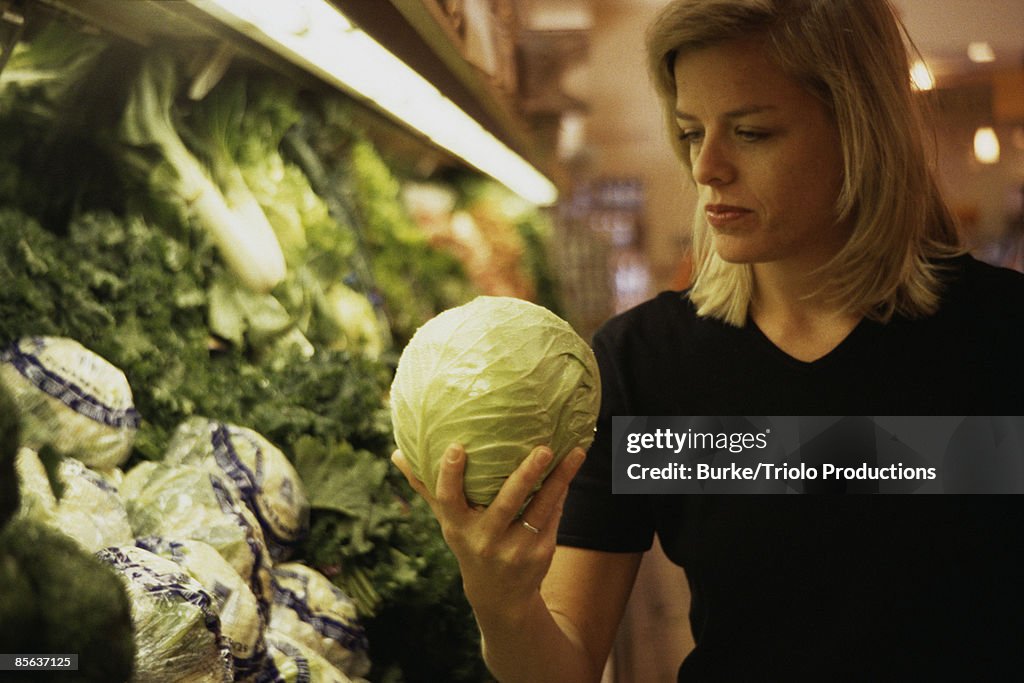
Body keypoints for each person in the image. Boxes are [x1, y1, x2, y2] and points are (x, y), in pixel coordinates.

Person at [393, 0, 1024, 680]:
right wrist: (503, 602)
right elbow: (567, 666)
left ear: (859, 130)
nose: (707, 168)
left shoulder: (1003, 336)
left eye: (751, 132)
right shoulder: (646, 363)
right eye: (692, 132)